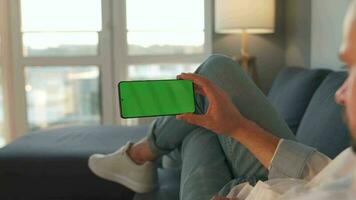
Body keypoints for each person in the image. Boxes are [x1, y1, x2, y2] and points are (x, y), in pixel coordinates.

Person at [88, 1, 356, 199]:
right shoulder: (350, 164)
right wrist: (236, 126)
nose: (338, 94)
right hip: (278, 181)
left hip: (253, 190)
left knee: (210, 87)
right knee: (203, 116)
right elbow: (317, 176)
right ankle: (147, 155)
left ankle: (141, 155)